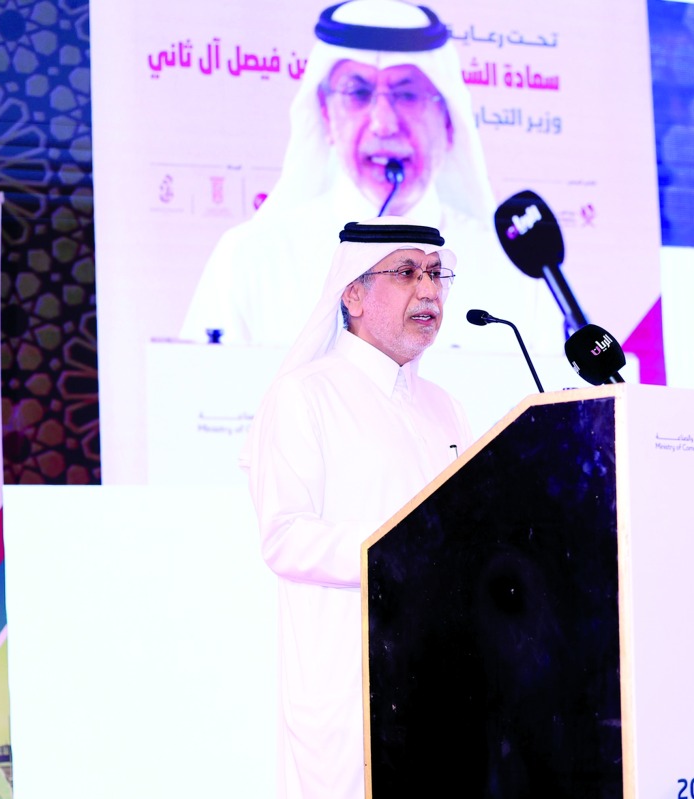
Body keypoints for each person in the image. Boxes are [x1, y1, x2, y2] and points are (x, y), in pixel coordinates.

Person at [242, 217, 472, 798]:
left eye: (436, 274)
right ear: (353, 294)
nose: (428, 290)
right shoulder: (304, 395)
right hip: (351, 687)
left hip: (446, 676)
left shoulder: (444, 406)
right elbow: (284, 537)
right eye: (407, 272)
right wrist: (405, 546)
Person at [181, 0, 551, 349]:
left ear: (449, 121)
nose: (383, 123)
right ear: (325, 114)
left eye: (407, 95)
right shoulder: (250, 259)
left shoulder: (514, 273)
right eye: (357, 93)